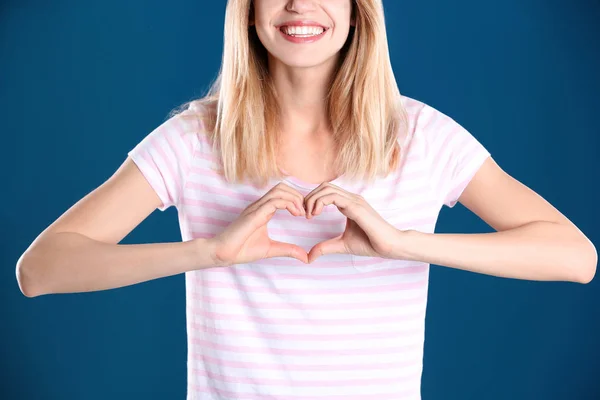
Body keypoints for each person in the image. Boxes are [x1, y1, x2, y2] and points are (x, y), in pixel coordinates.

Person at [16, 0, 597, 399]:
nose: (298, 4)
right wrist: (209, 252)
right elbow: (41, 269)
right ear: (247, 10)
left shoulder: (421, 136)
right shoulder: (196, 140)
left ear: (356, 9)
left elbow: (575, 257)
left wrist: (404, 244)